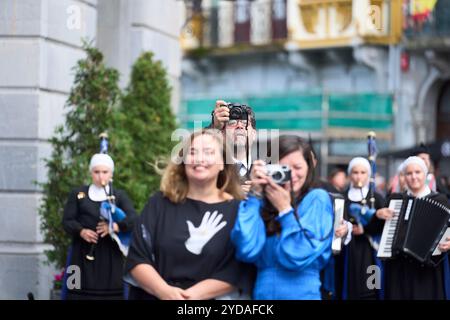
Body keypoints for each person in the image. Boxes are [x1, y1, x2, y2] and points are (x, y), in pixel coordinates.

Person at [124, 129, 252, 300]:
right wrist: (165, 292)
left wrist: (191, 296)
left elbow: (239, 268)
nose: (199, 159)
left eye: (208, 152)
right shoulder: (159, 203)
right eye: (192, 152)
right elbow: (137, 257)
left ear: (223, 163)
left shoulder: (238, 211)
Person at [231, 135, 334, 299]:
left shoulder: (317, 198)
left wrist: (285, 210)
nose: (291, 174)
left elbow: (298, 256)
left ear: (309, 167)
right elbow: (246, 249)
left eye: (297, 167)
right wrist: (255, 195)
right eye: (283, 168)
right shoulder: (262, 202)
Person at [62, 153, 137, 300]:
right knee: (76, 293)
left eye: (105, 172)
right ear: (91, 172)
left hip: (110, 256)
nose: (100, 176)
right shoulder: (78, 193)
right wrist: (81, 231)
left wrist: (115, 226)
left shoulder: (118, 195)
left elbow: (134, 218)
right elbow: (67, 221)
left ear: (111, 174)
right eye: (96, 172)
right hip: (80, 255)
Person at [376, 156, 450, 299]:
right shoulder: (395, 199)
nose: (413, 177)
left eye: (418, 172)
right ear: (403, 176)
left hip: (429, 271)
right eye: (409, 173)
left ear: (425, 174)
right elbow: (376, 229)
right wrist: (378, 214)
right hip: (399, 269)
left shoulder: (441, 200)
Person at [334, 157, 385, 300]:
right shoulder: (342, 198)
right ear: (349, 175)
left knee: (372, 286)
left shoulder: (377, 198)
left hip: (371, 252)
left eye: (363, 172)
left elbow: (385, 225)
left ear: (368, 175)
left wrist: (366, 229)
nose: (359, 176)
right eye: (355, 172)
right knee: (351, 284)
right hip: (350, 251)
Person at [211, 100, 257, 193]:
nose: (239, 126)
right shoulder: (211, 171)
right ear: (222, 134)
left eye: (245, 124)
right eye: (232, 123)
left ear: (254, 134)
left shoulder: (264, 172)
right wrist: (213, 127)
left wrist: (259, 195)